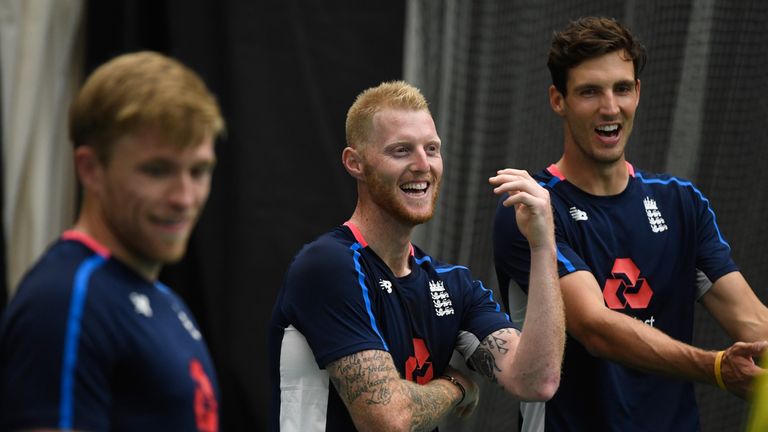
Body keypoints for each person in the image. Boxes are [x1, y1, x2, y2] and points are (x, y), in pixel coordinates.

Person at [493, 16, 768, 431]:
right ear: (558, 99)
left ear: (637, 93)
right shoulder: (531, 209)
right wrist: (714, 367)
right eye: (589, 92)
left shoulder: (682, 204)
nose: (610, 107)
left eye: (622, 88)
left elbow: (753, 323)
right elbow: (595, 328)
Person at [269, 81, 565, 431]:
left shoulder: (452, 283)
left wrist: (543, 245)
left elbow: (536, 381)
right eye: (401, 151)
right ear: (355, 163)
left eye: (432, 149)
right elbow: (387, 420)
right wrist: (454, 387)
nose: (423, 165)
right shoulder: (328, 265)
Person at [0, 51, 224, 431]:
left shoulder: (165, 302)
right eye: (157, 170)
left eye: (199, 171)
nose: (185, 198)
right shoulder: (65, 300)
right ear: (90, 169)